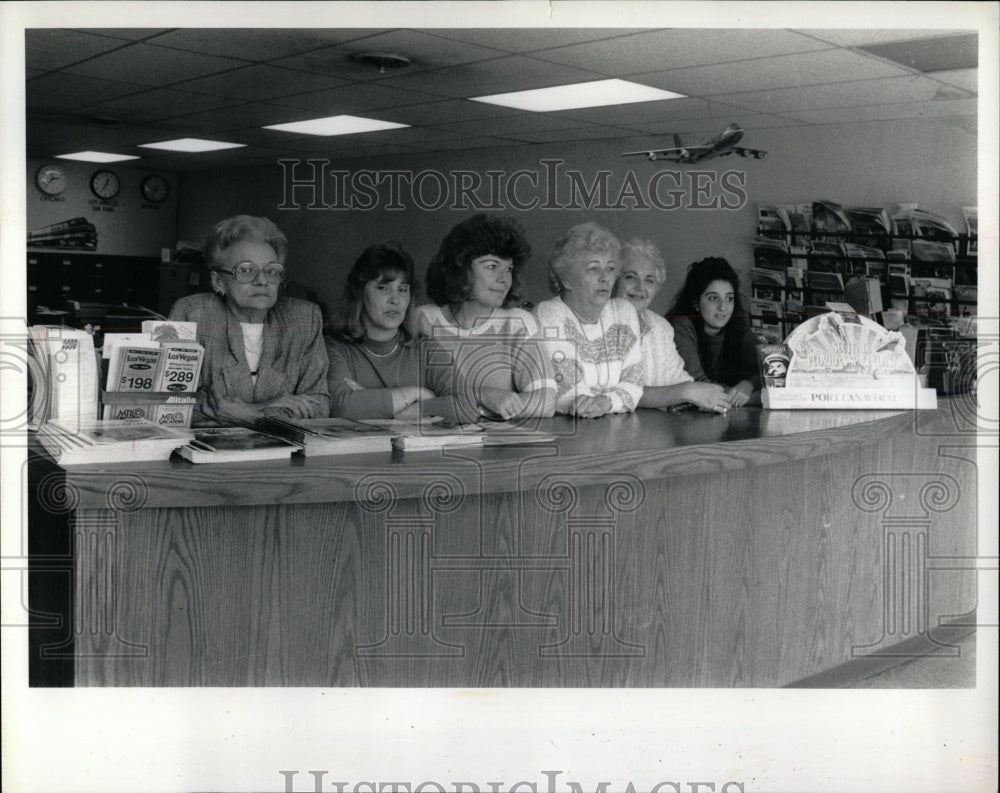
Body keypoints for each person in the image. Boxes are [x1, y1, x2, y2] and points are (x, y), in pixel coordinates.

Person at [168, 215, 329, 424]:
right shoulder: (191, 313)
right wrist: (264, 409)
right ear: (218, 281)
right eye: (246, 270)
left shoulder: (304, 318)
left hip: (284, 449)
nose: (262, 281)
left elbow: (320, 403)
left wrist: (246, 414)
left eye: (272, 271)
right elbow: (170, 402)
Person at [413, 214, 555, 421]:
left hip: (498, 449)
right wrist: (482, 395)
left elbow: (546, 401)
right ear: (460, 269)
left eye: (509, 269)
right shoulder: (423, 319)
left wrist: (470, 405)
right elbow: (409, 396)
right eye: (491, 266)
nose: (503, 279)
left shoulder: (518, 323)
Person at [326, 242, 457, 421]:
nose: (395, 299)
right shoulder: (335, 348)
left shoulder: (425, 348)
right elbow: (340, 406)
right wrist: (414, 394)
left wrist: (397, 411)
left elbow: (465, 404)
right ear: (359, 292)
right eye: (383, 288)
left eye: (403, 289)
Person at [533, 222, 643, 418]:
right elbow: (566, 390)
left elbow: (634, 384)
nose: (605, 278)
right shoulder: (549, 314)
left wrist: (604, 402)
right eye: (594, 269)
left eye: (610, 269)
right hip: (567, 431)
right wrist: (609, 401)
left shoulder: (624, 312)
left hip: (615, 428)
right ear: (566, 279)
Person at [613, 239, 731, 413]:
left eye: (649, 280)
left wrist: (706, 397)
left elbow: (678, 380)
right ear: (614, 279)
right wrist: (685, 392)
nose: (640, 287)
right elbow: (610, 391)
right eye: (631, 277)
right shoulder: (598, 322)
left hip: (657, 433)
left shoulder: (660, 327)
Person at [667, 257, 761, 408]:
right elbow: (699, 387)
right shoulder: (681, 327)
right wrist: (755, 399)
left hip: (723, 416)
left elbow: (767, 366)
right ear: (696, 303)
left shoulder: (737, 325)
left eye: (729, 298)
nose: (723, 307)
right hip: (686, 421)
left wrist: (748, 384)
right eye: (713, 298)